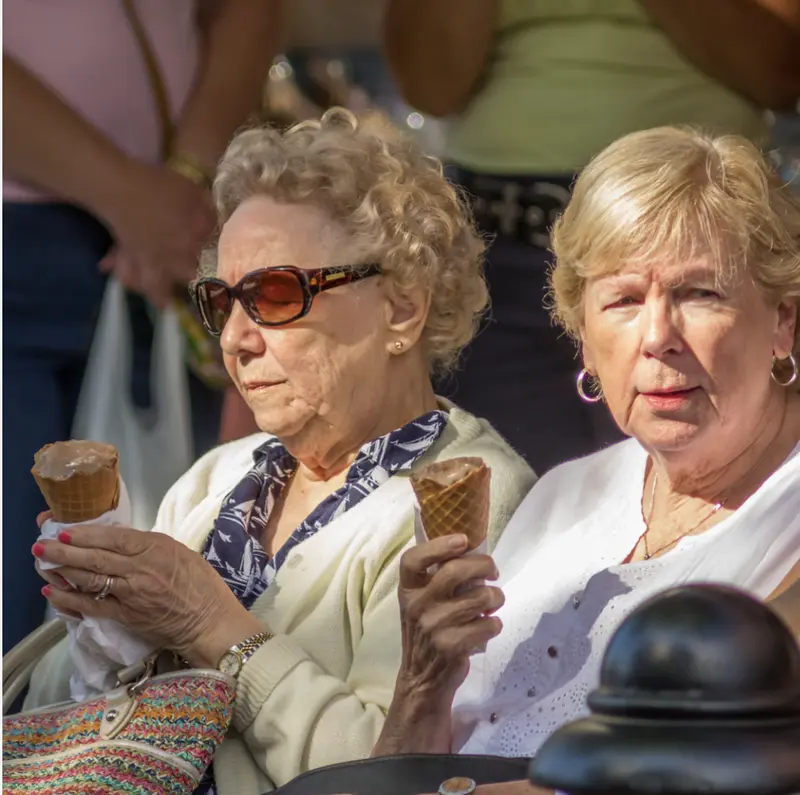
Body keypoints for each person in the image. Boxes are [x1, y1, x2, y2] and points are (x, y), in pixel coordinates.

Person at [24, 109, 536, 795]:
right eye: (221, 300)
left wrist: (209, 623)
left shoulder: (467, 493)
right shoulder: (217, 477)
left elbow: (386, 772)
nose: (236, 337)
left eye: (274, 294)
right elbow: (58, 722)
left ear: (402, 309)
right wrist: (99, 622)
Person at [373, 127, 800, 762]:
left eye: (699, 292)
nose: (656, 336)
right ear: (583, 340)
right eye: (623, 300)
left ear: (783, 320)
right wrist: (423, 682)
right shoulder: (563, 496)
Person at [384, 0, 800, 473]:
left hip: (701, 238)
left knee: (718, 488)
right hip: (495, 251)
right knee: (501, 508)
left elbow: (782, 72)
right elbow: (427, 86)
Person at [2, 0, 281, 652]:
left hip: (172, 233)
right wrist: (129, 195)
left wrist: (183, 181)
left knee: (166, 578)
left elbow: (247, 10)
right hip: (34, 235)